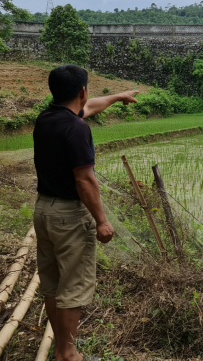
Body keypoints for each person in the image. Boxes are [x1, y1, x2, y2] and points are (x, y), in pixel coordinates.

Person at [33, 65, 138, 361]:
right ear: (82, 90)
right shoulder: (77, 129)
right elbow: (85, 180)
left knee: (52, 286)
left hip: (43, 210)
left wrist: (119, 96)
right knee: (73, 287)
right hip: (68, 216)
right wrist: (102, 221)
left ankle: (61, 350)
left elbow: (89, 107)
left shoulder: (47, 118)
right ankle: (67, 353)